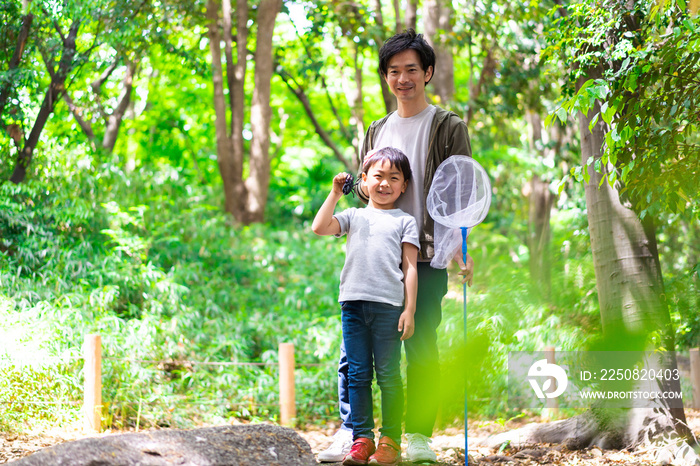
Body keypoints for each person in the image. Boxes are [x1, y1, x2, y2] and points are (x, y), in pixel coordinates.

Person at [318, 29, 474, 464]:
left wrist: (462, 247)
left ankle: (418, 436)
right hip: (377, 261)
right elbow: (366, 189)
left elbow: (460, 190)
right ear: (386, 77)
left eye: (411, 70)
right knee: (357, 355)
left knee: (421, 346)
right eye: (393, 71)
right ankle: (354, 434)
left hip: (425, 255)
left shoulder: (448, 127)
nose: (402, 78)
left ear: (427, 73)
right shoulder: (377, 129)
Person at [312, 147, 420, 466]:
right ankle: (362, 439)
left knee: (388, 375)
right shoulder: (353, 216)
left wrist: (409, 309)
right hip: (353, 307)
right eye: (378, 176)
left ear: (404, 186)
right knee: (357, 374)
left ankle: (390, 440)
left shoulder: (405, 221)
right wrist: (334, 193)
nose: (385, 183)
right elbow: (319, 227)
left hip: (389, 307)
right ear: (364, 180)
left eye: (393, 178)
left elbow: (410, 267)